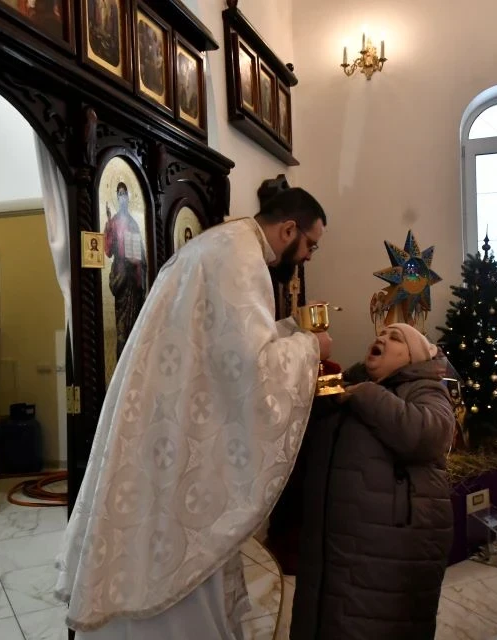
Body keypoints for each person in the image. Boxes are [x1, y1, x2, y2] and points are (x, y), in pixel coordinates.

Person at [55, 187, 332, 640]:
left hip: (166, 418)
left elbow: (222, 354)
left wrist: (287, 332)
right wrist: (310, 347)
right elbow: (252, 375)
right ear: (288, 230)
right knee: (182, 543)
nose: (308, 257)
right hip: (180, 436)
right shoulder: (242, 260)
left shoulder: (220, 244)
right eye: (311, 245)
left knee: (152, 534)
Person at [291, 324, 456, 640]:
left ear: (412, 357)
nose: (381, 339)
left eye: (395, 338)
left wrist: (367, 393)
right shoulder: (350, 389)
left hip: (387, 550)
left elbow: (429, 435)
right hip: (334, 550)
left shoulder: (424, 388)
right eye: (380, 335)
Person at [104, 182, 148, 357]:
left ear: (128, 198)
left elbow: (142, 255)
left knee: (135, 326)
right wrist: (108, 223)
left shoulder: (134, 224)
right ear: (117, 198)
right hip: (122, 277)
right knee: (122, 327)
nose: (122, 197)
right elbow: (108, 251)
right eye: (119, 194)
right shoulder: (113, 222)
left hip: (134, 278)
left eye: (124, 194)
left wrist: (138, 262)